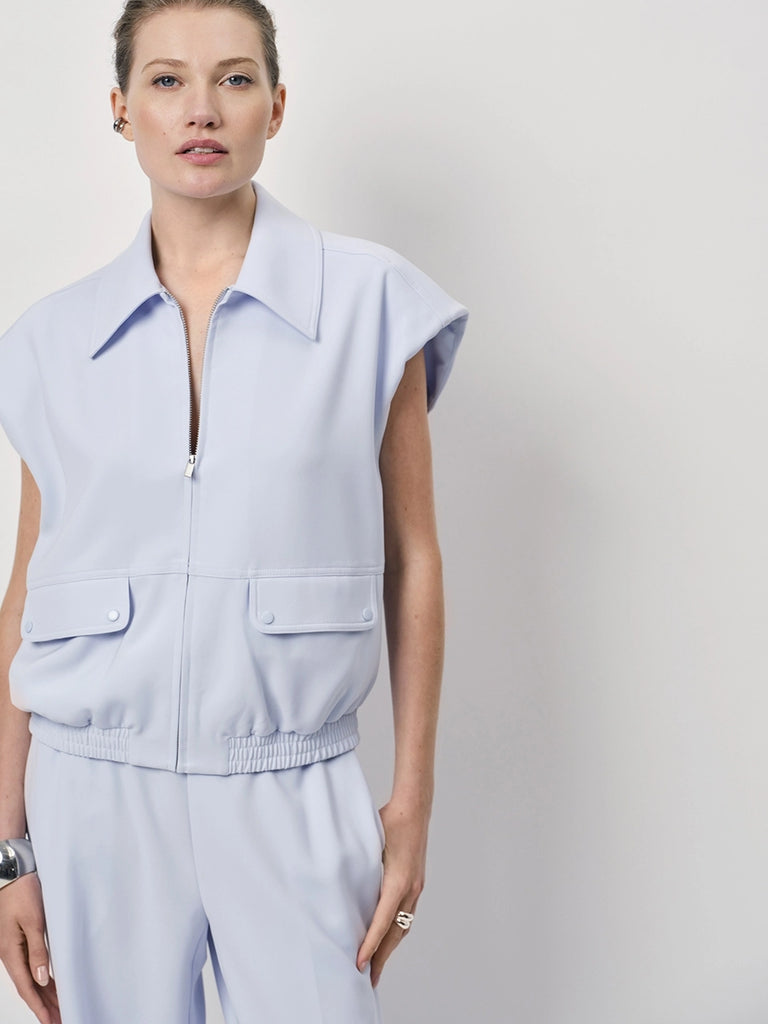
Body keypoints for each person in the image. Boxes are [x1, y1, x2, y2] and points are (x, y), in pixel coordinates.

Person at [0, 2, 469, 1022]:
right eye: (166, 80)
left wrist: (411, 802)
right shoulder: (49, 343)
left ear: (277, 106)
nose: (200, 109)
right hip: (90, 794)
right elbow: (29, 590)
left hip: (294, 784)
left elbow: (414, 557)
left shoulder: (373, 306)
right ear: (120, 108)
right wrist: (7, 849)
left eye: (235, 78)